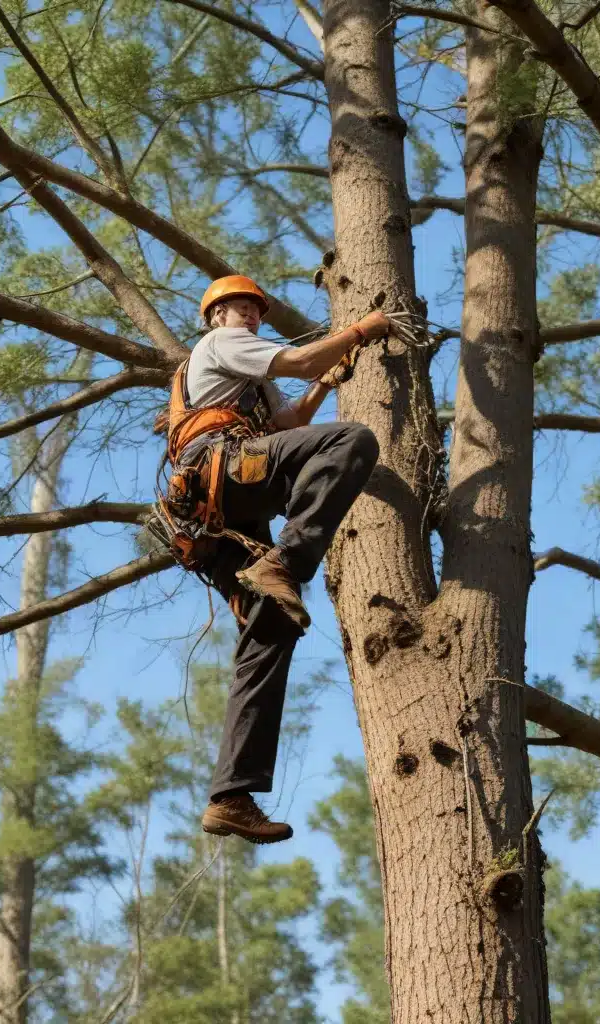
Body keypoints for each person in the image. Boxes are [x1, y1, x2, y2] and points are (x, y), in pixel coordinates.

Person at [164, 275, 389, 844]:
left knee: (274, 625)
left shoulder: (244, 378)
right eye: (240, 309)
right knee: (352, 441)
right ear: (215, 317)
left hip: (218, 518)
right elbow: (299, 358)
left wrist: (325, 384)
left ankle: (231, 795)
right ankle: (286, 560)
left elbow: (288, 424)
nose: (250, 317)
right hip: (224, 472)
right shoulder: (221, 346)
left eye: (255, 311)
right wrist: (363, 329)